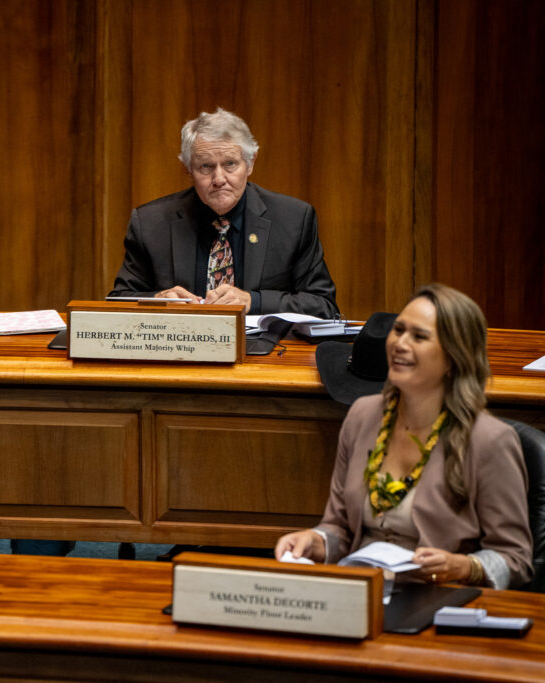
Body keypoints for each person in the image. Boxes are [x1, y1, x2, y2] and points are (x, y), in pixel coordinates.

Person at [276, 284, 532, 589]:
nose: (399, 343)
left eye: (419, 336)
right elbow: (340, 528)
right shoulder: (362, 415)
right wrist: (314, 540)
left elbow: (515, 559)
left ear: (453, 356)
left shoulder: (490, 440)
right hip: (361, 591)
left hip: (439, 597)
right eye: (398, 330)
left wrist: (464, 566)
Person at [109, 108, 337, 318]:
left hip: (264, 354)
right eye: (206, 167)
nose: (219, 179)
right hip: (179, 351)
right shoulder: (150, 224)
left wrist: (254, 301)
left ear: (250, 164)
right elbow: (116, 302)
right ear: (188, 169)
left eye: (230, 164)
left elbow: (323, 305)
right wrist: (157, 301)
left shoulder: (293, 219)